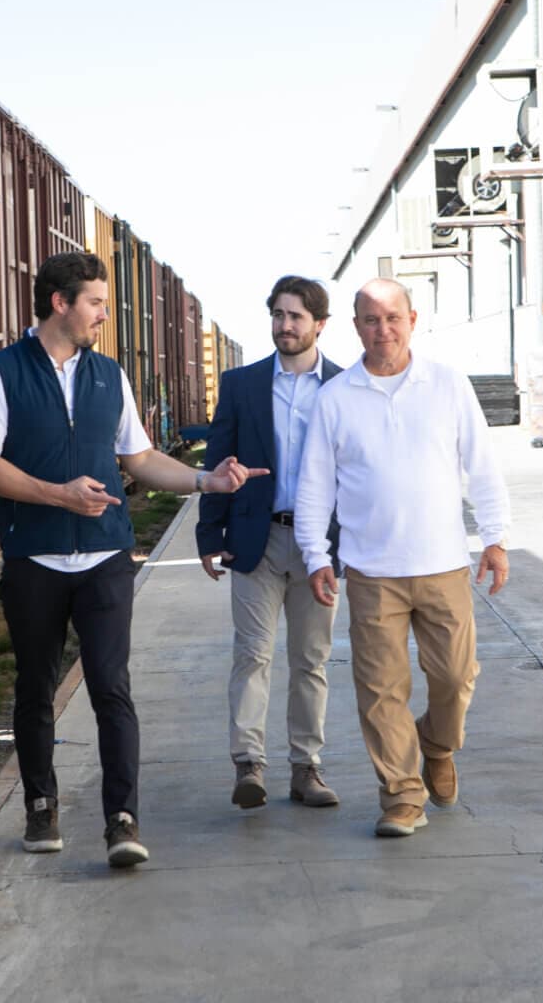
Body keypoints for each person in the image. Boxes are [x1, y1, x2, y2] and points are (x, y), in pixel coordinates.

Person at [0, 252, 264, 868]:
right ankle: (40, 805)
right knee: (35, 688)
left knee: (111, 688)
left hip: (103, 556)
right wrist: (57, 495)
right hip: (34, 556)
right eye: (95, 302)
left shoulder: (109, 375)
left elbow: (141, 458)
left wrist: (209, 481)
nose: (103, 314)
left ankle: (121, 821)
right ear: (60, 303)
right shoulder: (0, 374)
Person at [293, 277, 511, 838]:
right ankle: (401, 796)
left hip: (442, 565)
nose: (382, 329)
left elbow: (481, 463)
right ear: (355, 325)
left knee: (457, 678)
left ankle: (437, 744)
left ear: (413, 321)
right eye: (371, 319)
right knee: (380, 691)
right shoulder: (334, 399)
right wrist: (317, 555)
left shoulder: (446, 385)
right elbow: (315, 484)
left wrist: (494, 535)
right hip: (371, 572)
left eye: (393, 317)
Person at [196, 276, 343, 810]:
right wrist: (209, 533)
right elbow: (219, 461)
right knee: (252, 655)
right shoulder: (241, 385)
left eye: (296, 316)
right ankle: (248, 766)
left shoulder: (344, 387)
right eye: (278, 315)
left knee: (311, 660)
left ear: (319, 325)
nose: (285, 325)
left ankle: (307, 768)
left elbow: (356, 472)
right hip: (255, 539)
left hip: (317, 550)